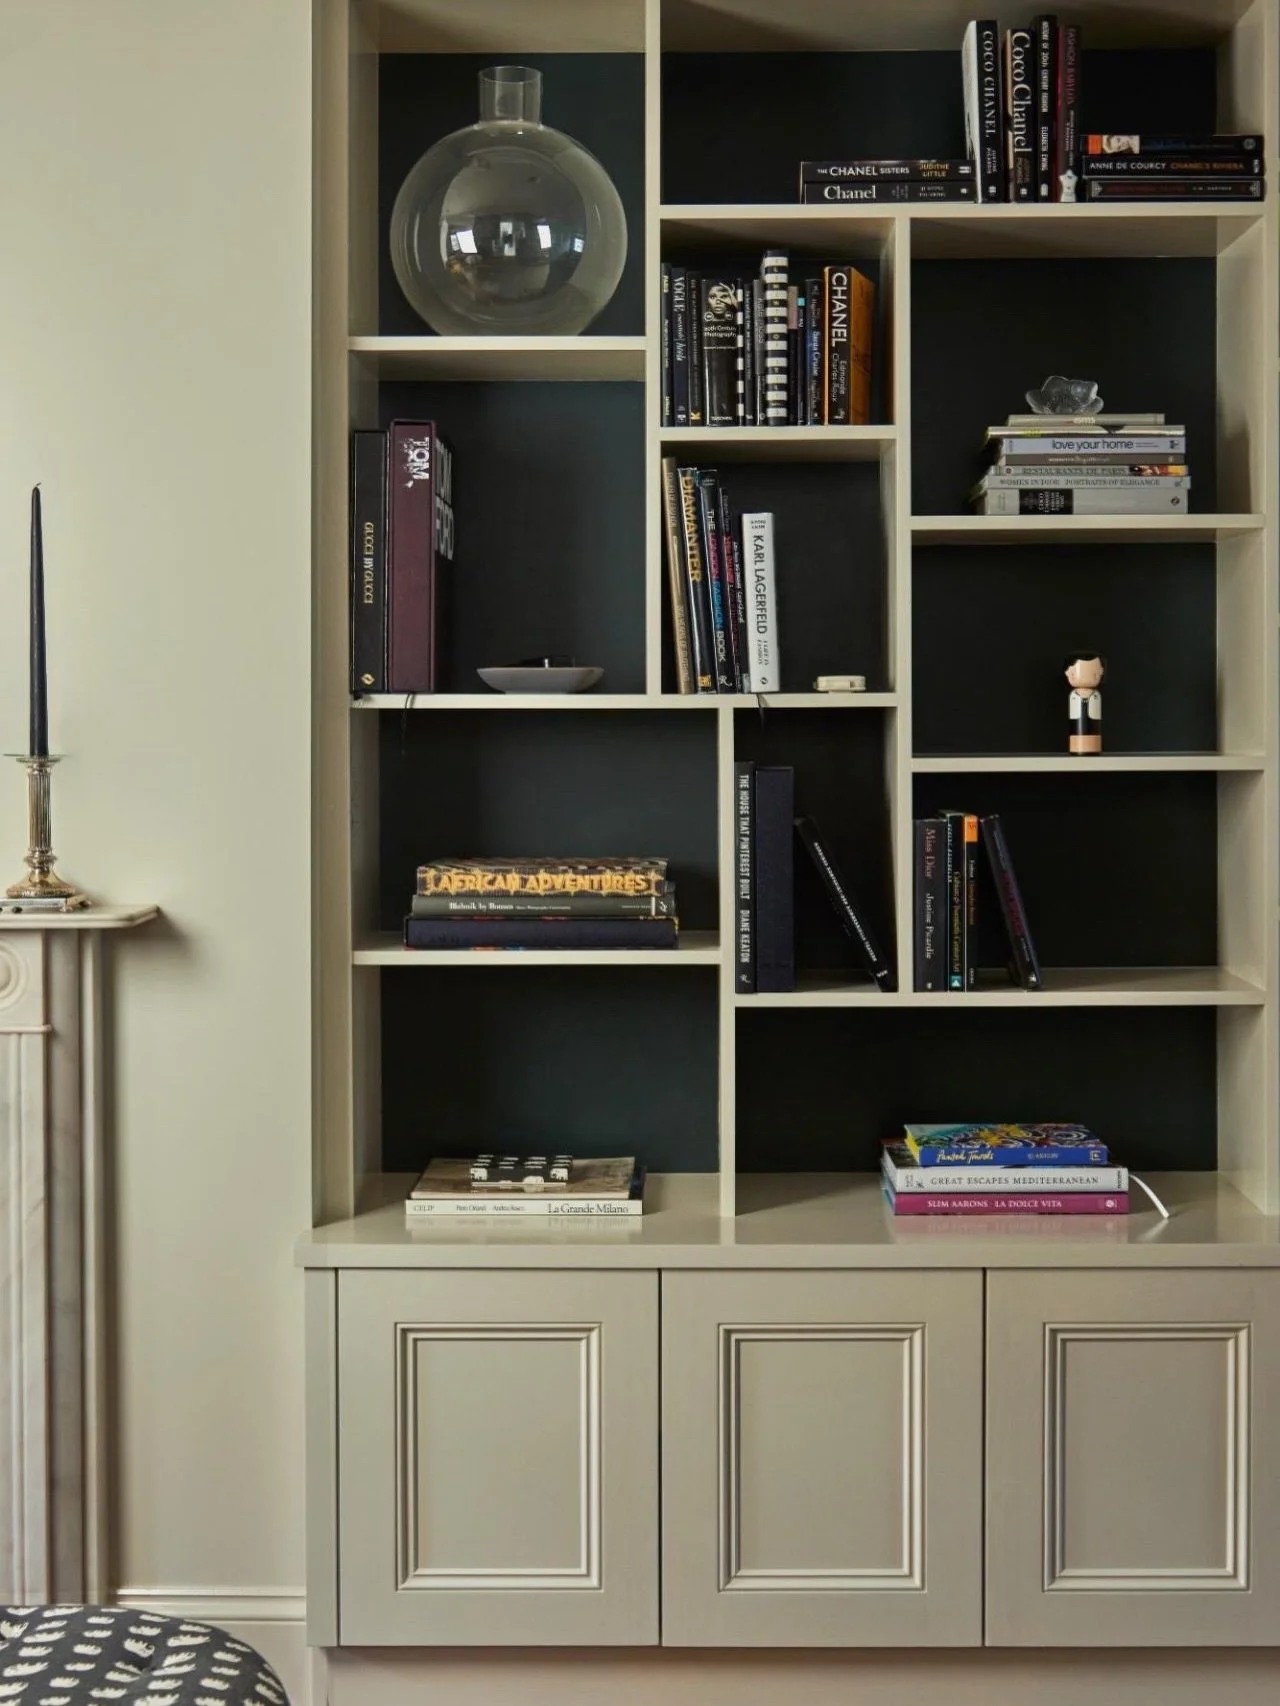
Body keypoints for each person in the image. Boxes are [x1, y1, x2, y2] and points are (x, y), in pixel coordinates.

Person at [1065, 653, 1104, 754]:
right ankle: (1078, 747)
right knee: (1076, 730)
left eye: (1095, 674)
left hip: (1094, 728)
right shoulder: (1073, 695)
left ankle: (1093, 747)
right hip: (1076, 733)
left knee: (1094, 730)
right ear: (1069, 672)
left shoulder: (1096, 695)